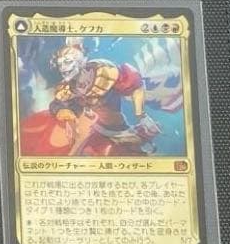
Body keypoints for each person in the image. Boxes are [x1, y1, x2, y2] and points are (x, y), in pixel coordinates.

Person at [21, 41, 160, 157]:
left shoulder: (104, 72)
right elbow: (58, 104)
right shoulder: (68, 88)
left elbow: (135, 85)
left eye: (67, 62)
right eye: (60, 64)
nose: (63, 68)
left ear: (82, 61)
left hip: (116, 128)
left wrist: (141, 115)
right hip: (92, 129)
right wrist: (68, 117)